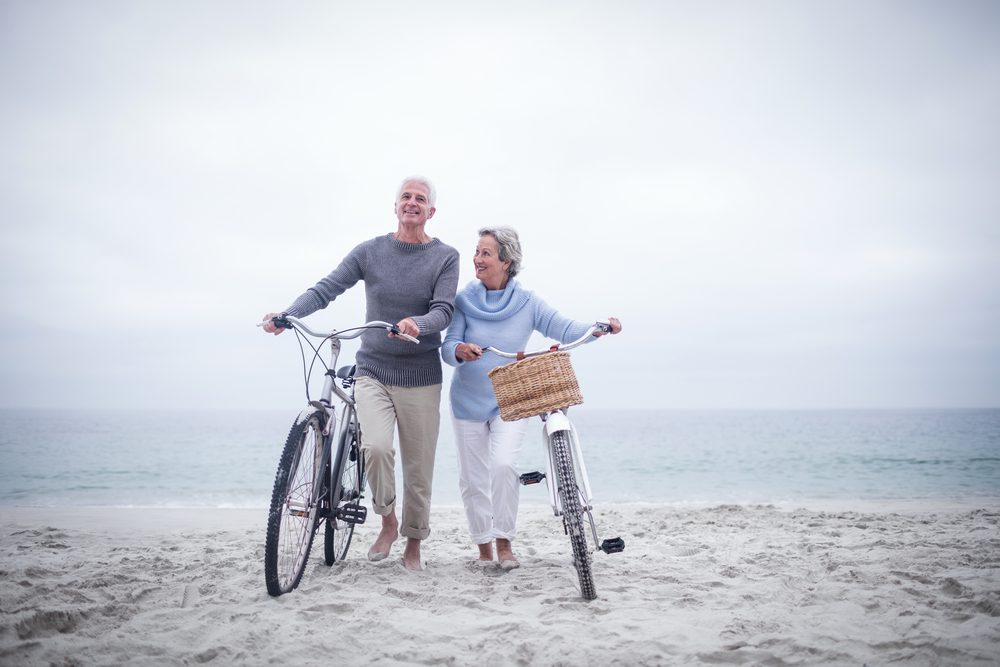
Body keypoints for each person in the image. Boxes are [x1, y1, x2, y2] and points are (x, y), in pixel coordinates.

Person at [262, 176, 460, 571]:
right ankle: (387, 521)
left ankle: (413, 546)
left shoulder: (445, 257)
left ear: (431, 211)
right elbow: (327, 288)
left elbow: (444, 311)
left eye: (420, 199)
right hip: (373, 369)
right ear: (395, 205)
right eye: (406, 196)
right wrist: (289, 314)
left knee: (418, 470)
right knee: (375, 448)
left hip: (421, 376)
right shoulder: (371, 251)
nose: (412, 203)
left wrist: (417, 324)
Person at [441, 227, 621, 569]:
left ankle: (504, 542)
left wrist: (599, 329)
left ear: (507, 261)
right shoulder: (463, 301)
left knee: (505, 465)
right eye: (476, 252)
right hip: (467, 401)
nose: (477, 259)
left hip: (511, 401)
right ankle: (483, 547)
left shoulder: (527, 302)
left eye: (486, 253)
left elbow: (565, 329)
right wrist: (461, 351)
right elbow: (448, 346)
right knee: (472, 478)